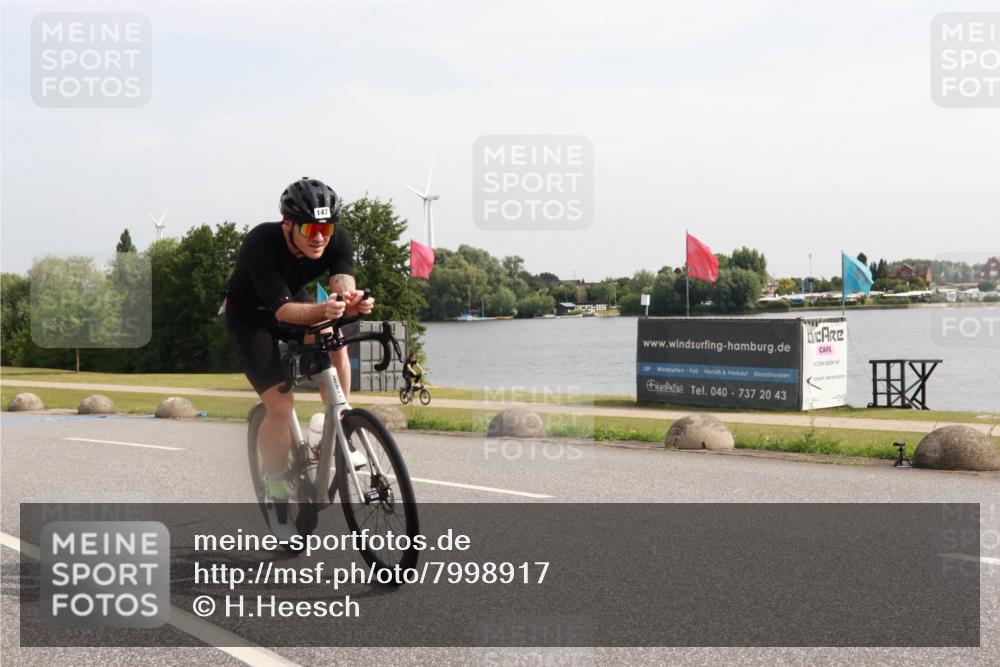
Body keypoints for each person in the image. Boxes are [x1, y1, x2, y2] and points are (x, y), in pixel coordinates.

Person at [224, 177, 373, 533]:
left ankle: (336, 427)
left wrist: (350, 302)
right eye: (309, 227)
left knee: (335, 338)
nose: (319, 236)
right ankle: (276, 489)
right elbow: (283, 313)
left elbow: (341, 285)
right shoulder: (261, 242)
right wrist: (327, 310)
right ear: (288, 225)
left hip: (296, 303)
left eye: (325, 226)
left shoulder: (336, 238)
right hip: (253, 318)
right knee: (281, 406)